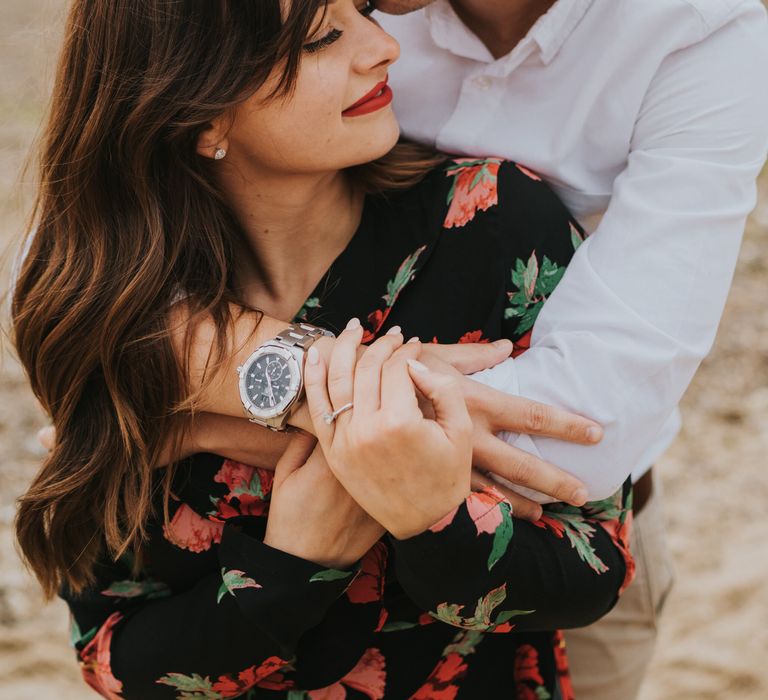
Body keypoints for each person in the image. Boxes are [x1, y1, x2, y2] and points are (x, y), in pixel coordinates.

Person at [11, 1, 632, 698]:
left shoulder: (493, 222)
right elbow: (113, 660)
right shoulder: (114, 309)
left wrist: (424, 514)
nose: (384, 46)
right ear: (201, 112)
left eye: (362, 10)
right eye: (323, 38)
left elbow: (594, 572)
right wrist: (291, 566)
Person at [370, 0, 768, 697]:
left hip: (555, 548)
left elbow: (584, 421)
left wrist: (244, 394)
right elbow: (138, 278)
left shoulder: (706, 26)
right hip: (273, 558)